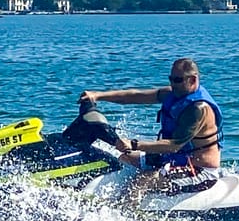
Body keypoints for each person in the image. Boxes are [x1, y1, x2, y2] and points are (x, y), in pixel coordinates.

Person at [78, 58, 224, 200]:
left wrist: (134, 144)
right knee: (124, 158)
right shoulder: (173, 94)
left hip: (200, 170)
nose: (173, 84)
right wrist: (97, 95)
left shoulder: (198, 109)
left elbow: (174, 146)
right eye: (171, 79)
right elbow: (136, 96)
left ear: (192, 80)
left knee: (142, 181)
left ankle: (124, 218)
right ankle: (96, 194)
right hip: (174, 160)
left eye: (178, 80)